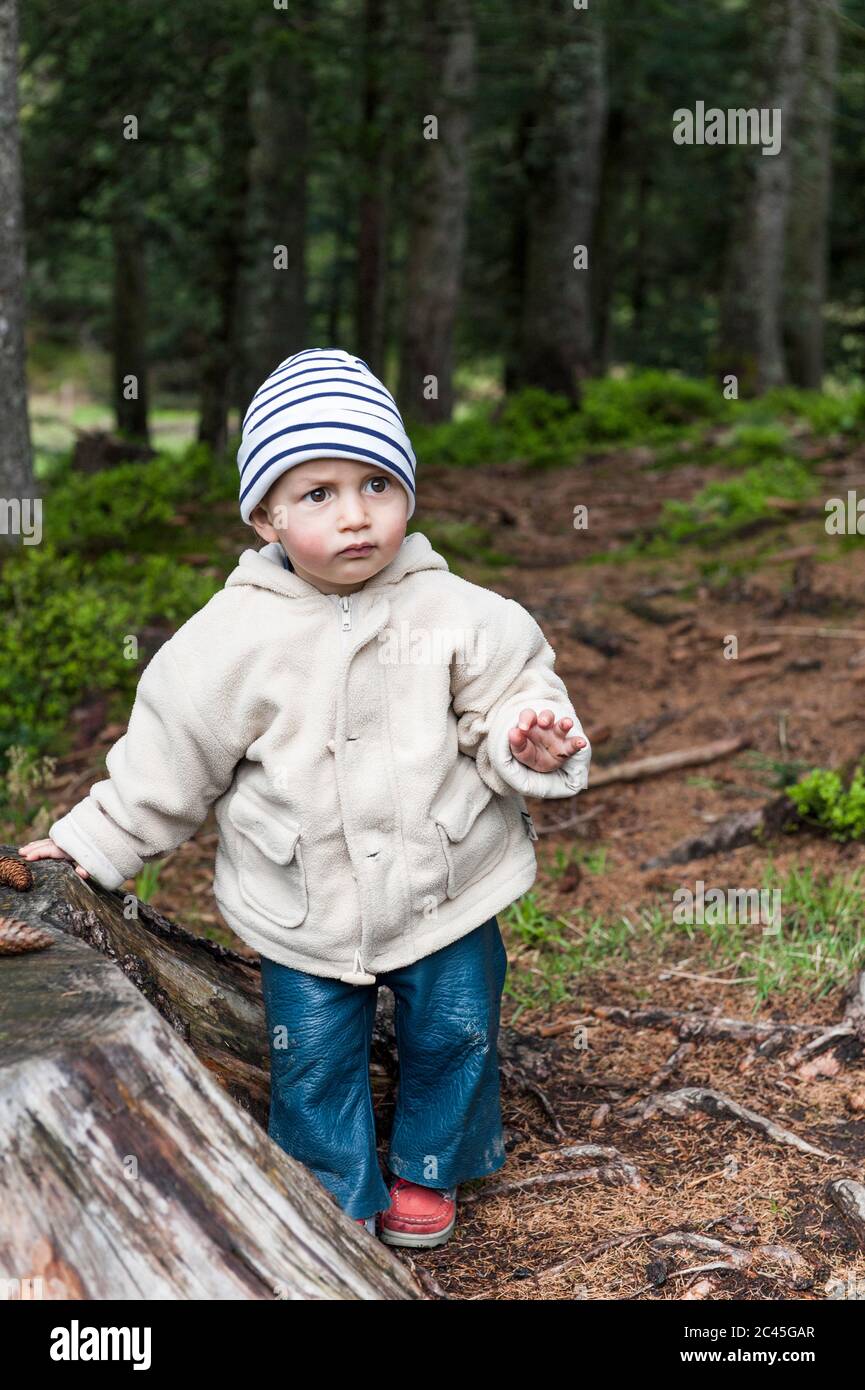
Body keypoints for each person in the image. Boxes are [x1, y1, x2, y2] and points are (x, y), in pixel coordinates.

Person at [19, 347, 591, 1248]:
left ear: (408, 492)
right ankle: (333, 1189)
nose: (356, 515)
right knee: (314, 1064)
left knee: (456, 1033)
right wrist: (91, 841)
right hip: (304, 899)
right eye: (318, 494)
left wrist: (532, 733)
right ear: (267, 517)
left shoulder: (464, 614)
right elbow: (169, 758)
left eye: (376, 484)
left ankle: (432, 1165)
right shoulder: (228, 640)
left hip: (446, 882)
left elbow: (511, 695)